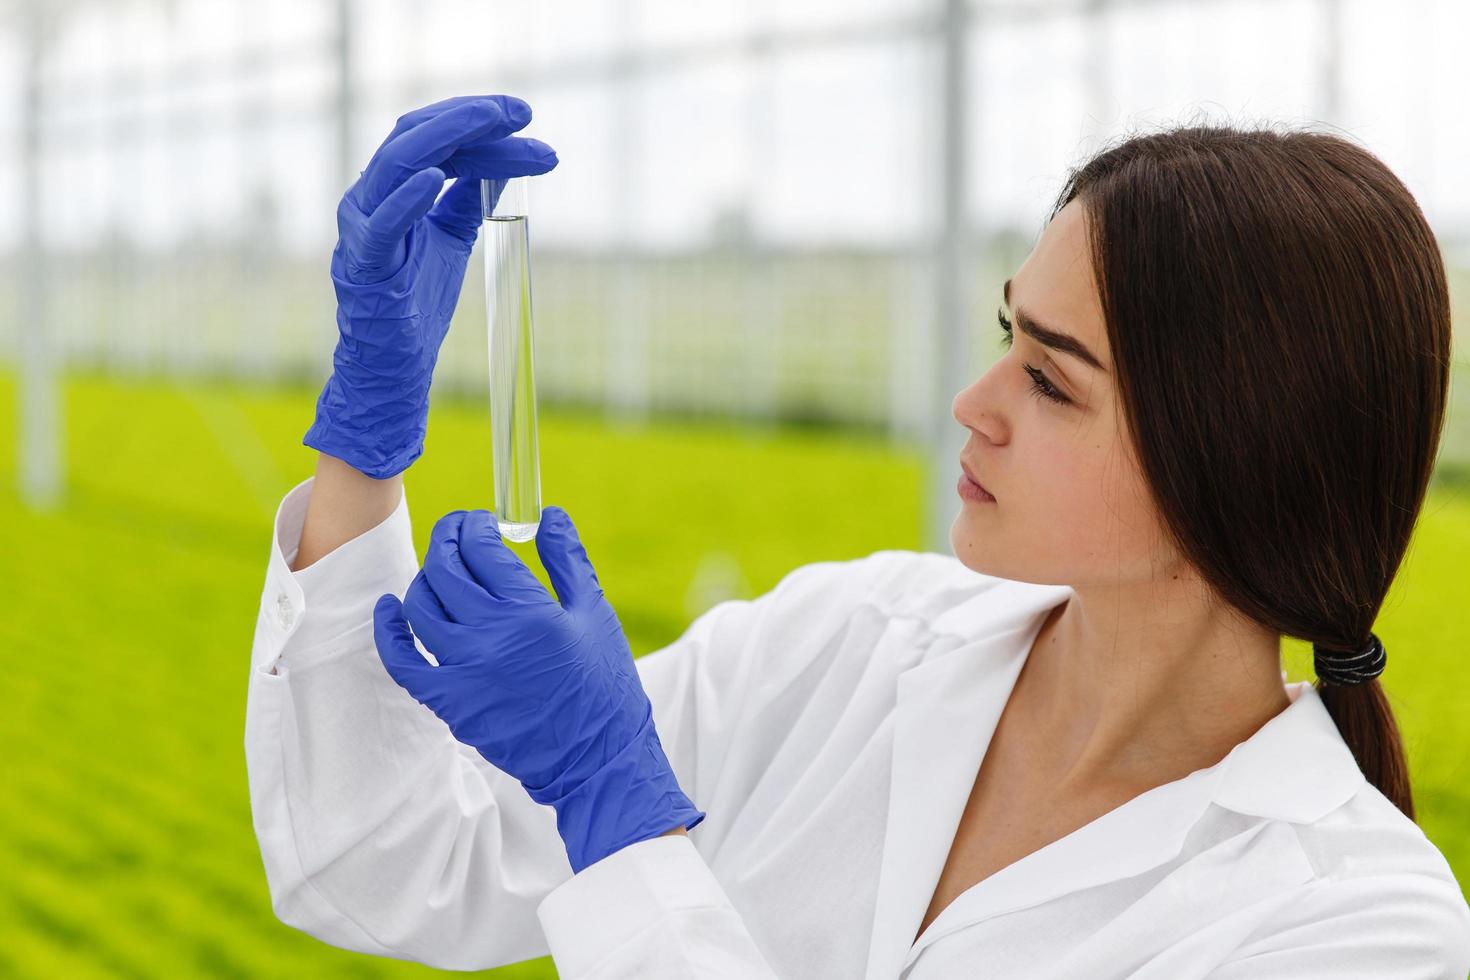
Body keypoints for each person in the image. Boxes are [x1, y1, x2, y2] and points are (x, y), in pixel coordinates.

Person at [243, 94, 1470, 978]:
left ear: (1232, 458)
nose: (974, 404)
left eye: (1052, 381)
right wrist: (364, 444)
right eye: (1009, 336)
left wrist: (619, 818)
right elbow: (383, 854)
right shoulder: (849, 642)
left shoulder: (1355, 925)